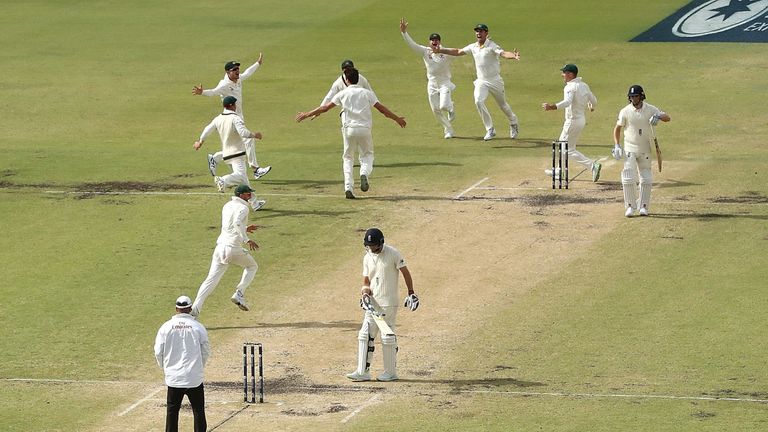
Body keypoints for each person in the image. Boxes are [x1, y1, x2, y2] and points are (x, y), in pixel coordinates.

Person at [296, 68, 406, 199]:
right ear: (358, 79)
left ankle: (348, 187)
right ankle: (364, 173)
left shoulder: (343, 93)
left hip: (348, 130)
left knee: (348, 158)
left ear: (346, 80)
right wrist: (397, 118)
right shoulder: (367, 93)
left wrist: (307, 114)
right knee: (367, 155)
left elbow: (324, 108)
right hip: (364, 129)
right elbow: (382, 109)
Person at [346, 228, 418, 382]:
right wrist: (365, 292)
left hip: (388, 303)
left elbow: (405, 272)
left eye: (375, 246)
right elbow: (366, 281)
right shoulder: (367, 257)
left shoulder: (393, 253)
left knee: (387, 336)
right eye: (369, 246)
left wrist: (411, 292)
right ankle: (362, 372)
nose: (372, 249)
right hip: (372, 304)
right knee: (364, 335)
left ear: (381, 243)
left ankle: (390, 372)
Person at [432, 23, 520, 141]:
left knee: (502, 105)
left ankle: (513, 122)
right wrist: (440, 50)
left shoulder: (492, 46)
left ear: (486, 33)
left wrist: (513, 56)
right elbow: (458, 52)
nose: (478, 33)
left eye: (481, 31)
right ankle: (490, 129)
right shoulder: (473, 47)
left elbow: (503, 53)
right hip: (481, 81)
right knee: (478, 100)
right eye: (477, 31)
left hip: (495, 80)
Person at [193, 57, 272, 180]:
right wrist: (202, 92)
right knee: (248, 140)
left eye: (237, 69)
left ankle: (215, 158)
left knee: (235, 147)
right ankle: (256, 170)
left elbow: (247, 73)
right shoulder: (224, 84)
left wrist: (257, 63)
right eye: (234, 69)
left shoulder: (238, 78)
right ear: (227, 72)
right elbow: (213, 92)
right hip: (231, 118)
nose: (237, 71)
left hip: (238, 116)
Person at [191, 184, 261, 316]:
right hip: (233, 248)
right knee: (252, 266)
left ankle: (195, 310)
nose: (250, 196)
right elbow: (236, 223)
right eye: (247, 194)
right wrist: (246, 239)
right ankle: (239, 293)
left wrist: (245, 229)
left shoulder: (227, 205)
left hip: (220, 248)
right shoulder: (243, 208)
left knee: (210, 280)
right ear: (241, 195)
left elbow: (230, 226)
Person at [193, 96, 266, 211]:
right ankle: (223, 180)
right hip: (237, 154)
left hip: (227, 155)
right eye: (235, 104)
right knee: (241, 176)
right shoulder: (235, 118)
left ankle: (255, 203)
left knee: (244, 180)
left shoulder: (218, 118)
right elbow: (243, 132)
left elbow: (207, 129)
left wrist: (200, 141)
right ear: (232, 105)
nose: (236, 106)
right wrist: (254, 135)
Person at [154, 295, 210, 432]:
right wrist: (198, 367)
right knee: (198, 411)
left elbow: (158, 351)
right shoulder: (198, 327)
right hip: (194, 378)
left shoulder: (166, 327)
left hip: (174, 378)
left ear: (176, 309)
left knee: (172, 413)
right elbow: (206, 351)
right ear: (190, 309)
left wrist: (165, 367)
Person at [612, 84, 670, 217]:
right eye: (631, 97)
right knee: (628, 178)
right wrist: (616, 145)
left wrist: (659, 117)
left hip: (645, 149)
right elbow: (617, 129)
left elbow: (668, 118)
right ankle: (630, 207)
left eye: (636, 96)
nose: (633, 99)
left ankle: (643, 206)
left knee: (646, 179)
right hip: (630, 148)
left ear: (641, 96)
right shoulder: (625, 111)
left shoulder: (650, 109)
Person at [541, 64, 601, 182]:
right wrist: (591, 106)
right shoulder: (584, 86)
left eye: (564, 73)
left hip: (572, 122)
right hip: (580, 120)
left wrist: (552, 107)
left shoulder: (569, 87)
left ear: (570, 74)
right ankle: (559, 171)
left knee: (566, 149)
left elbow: (567, 102)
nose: (562, 75)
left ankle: (592, 166)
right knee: (565, 146)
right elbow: (594, 100)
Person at [399, 18, 456, 139]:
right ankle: (448, 129)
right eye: (432, 40)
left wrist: (479, 46)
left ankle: (451, 107)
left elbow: (460, 52)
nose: (434, 42)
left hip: (444, 82)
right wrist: (404, 32)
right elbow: (412, 45)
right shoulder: (425, 51)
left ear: (440, 42)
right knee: (436, 109)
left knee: (444, 106)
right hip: (432, 83)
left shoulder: (446, 52)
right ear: (429, 42)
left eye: (436, 40)